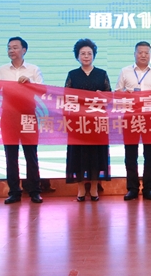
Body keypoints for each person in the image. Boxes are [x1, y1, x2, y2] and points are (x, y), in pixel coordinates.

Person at [0, 36, 43, 204]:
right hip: (8, 116)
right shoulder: (2, 70)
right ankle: (14, 191)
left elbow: (42, 90)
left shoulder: (33, 69)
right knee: (11, 155)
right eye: (9, 48)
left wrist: (29, 82)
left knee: (31, 155)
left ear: (24, 50)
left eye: (15, 47)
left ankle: (35, 191)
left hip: (28, 115)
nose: (11, 50)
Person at [116, 41, 151, 201]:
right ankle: (132, 188)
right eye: (140, 52)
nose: (143, 55)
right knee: (130, 154)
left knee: (150, 154)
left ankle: (148, 188)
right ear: (135, 54)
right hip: (130, 116)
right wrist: (125, 94)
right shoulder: (125, 71)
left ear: (150, 54)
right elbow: (117, 93)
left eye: (146, 52)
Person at [64, 39, 111, 202]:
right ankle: (80, 188)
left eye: (89, 53)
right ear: (77, 56)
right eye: (82, 53)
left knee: (96, 155)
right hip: (78, 123)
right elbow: (66, 97)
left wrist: (101, 95)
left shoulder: (102, 74)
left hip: (97, 122)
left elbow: (109, 97)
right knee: (78, 155)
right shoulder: (72, 74)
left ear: (94, 55)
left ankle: (94, 188)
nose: (86, 56)